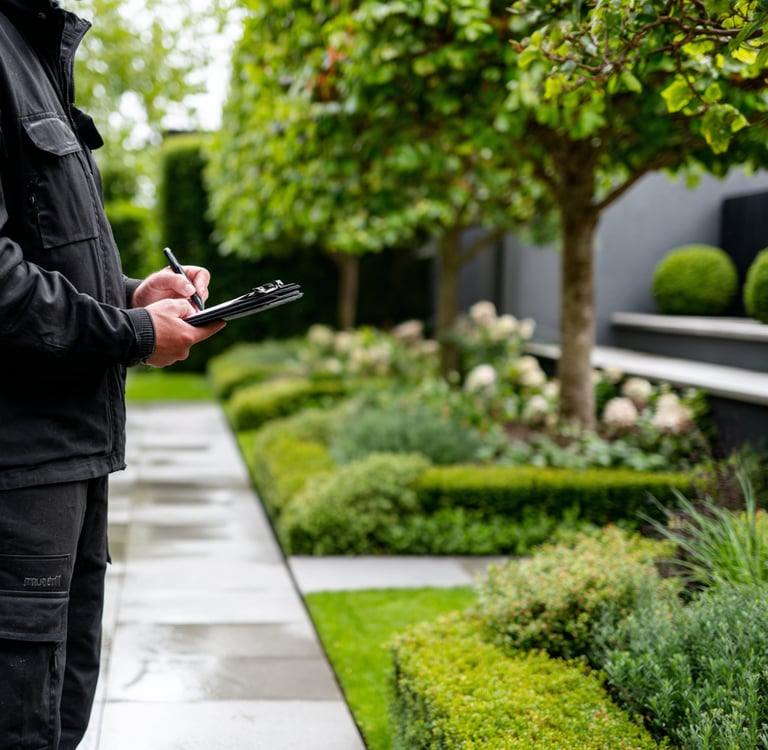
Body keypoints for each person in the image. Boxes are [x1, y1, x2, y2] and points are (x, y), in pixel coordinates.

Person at [0, 1, 226, 747]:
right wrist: (132, 333)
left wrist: (133, 294)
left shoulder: (29, 48)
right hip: (20, 467)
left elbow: (38, 247)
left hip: (62, 457)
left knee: (60, 702)